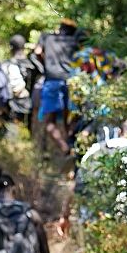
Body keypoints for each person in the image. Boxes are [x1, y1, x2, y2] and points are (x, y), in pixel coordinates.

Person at [38, 19, 81, 157]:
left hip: (52, 81)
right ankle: (72, 146)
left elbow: (37, 51)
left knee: (49, 122)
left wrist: (45, 64)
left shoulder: (48, 38)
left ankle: (64, 148)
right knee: (71, 119)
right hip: (70, 82)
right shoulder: (74, 42)